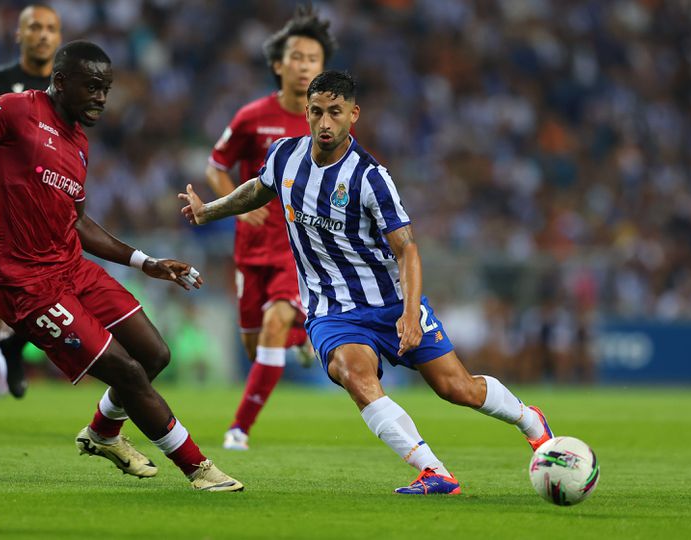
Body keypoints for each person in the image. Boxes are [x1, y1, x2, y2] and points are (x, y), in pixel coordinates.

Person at [179, 71, 553, 495]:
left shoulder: (371, 176)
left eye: (335, 113)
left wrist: (411, 315)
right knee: (352, 372)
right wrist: (209, 211)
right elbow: (258, 190)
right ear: (306, 111)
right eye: (317, 111)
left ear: (353, 115)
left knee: (456, 388)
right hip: (330, 307)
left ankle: (529, 418)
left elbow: (407, 250)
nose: (324, 123)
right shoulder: (285, 155)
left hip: (392, 302)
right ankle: (435, 472)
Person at [0, 40, 243, 492]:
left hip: (71, 267)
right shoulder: (15, 111)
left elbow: (77, 222)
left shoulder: (78, 143)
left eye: (107, 88)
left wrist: (145, 261)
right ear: (60, 82)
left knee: (155, 355)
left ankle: (101, 433)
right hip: (25, 283)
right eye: (92, 86)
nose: (101, 97)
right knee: (127, 372)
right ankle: (198, 468)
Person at [206, 5, 337, 451]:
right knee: (254, 345)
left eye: (313, 59)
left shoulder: (327, 121)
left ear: (322, 69)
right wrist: (237, 208)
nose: (304, 66)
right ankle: (302, 337)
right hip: (250, 246)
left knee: (275, 322)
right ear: (279, 64)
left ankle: (238, 429)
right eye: (296, 57)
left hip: (299, 249)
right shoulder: (251, 116)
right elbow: (216, 166)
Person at [0, 4, 63, 432]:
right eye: (34, 28)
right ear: (19, 35)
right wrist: (11, 162)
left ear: (59, 38)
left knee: (48, 300)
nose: (42, 35)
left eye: (51, 29)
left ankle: (16, 351)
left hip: (50, 218)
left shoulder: (67, 87)